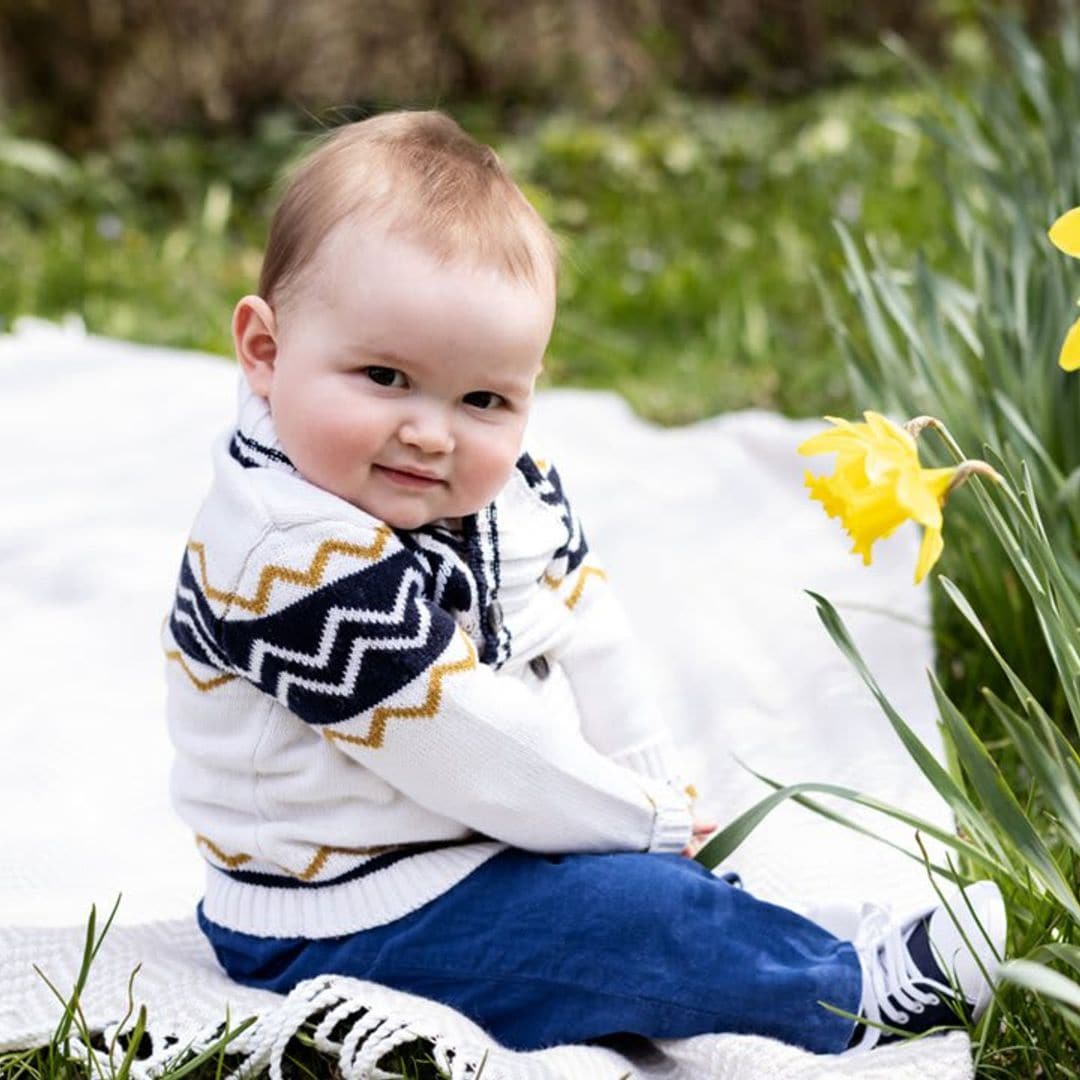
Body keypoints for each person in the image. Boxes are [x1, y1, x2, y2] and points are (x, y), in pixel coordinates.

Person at [162, 109, 1006, 1055]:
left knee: (647, 889)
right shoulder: (281, 553)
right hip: (337, 909)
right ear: (265, 353)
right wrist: (637, 821)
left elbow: (585, 629)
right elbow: (462, 739)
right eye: (385, 376)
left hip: (470, 842)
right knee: (623, 926)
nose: (434, 432)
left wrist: (649, 785)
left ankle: (789, 935)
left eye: (484, 398)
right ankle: (849, 994)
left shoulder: (495, 495)